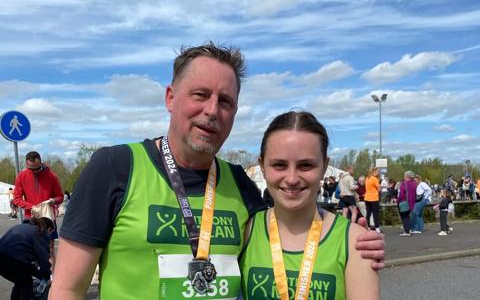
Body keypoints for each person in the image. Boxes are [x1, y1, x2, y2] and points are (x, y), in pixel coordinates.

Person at [50, 43, 385, 299]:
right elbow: (67, 289)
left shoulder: (237, 183)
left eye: (225, 101)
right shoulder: (115, 167)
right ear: (170, 97)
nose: (212, 110)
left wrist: (354, 237)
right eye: (200, 95)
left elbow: (287, 227)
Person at [239, 111, 379, 299]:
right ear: (262, 166)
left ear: (324, 167)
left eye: (306, 165)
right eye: (279, 165)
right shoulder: (244, 231)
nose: (292, 179)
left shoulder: (356, 241)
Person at [12, 151, 64, 269]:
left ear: (41, 162)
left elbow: (60, 196)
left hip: (48, 219)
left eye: (37, 168)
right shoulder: (21, 176)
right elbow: (17, 199)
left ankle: (52, 278)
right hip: (31, 219)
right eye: (31, 169)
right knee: (31, 249)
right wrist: (30, 206)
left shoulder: (51, 176)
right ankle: (35, 278)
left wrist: (52, 201)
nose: (34, 171)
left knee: (49, 249)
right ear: (26, 165)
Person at [0, 217, 54, 300]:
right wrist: (47, 277)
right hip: (14, 260)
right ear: (49, 229)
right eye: (51, 233)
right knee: (26, 283)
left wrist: (41, 274)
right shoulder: (40, 232)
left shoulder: (22, 227)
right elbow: (43, 258)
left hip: (3, 257)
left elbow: (29, 263)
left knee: (20, 281)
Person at [397, 171, 417, 237]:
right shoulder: (415, 183)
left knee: (404, 217)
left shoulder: (404, 184)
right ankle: (409, 229)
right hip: (412, 203)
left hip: (404, 202)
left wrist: (398, 200)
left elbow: (401, 195)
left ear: (407, 176)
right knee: (408, 217)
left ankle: (407, 231)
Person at [365, 166, 381, 233]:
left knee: (368, 214)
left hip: (367, 198)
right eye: (378, 171)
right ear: (374, 171)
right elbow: (379, 189)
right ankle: (377, 229)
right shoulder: (374, 179)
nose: (379, 172)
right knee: (375, 214)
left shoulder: (367, 178)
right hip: (374, 198)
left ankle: (367, 227)